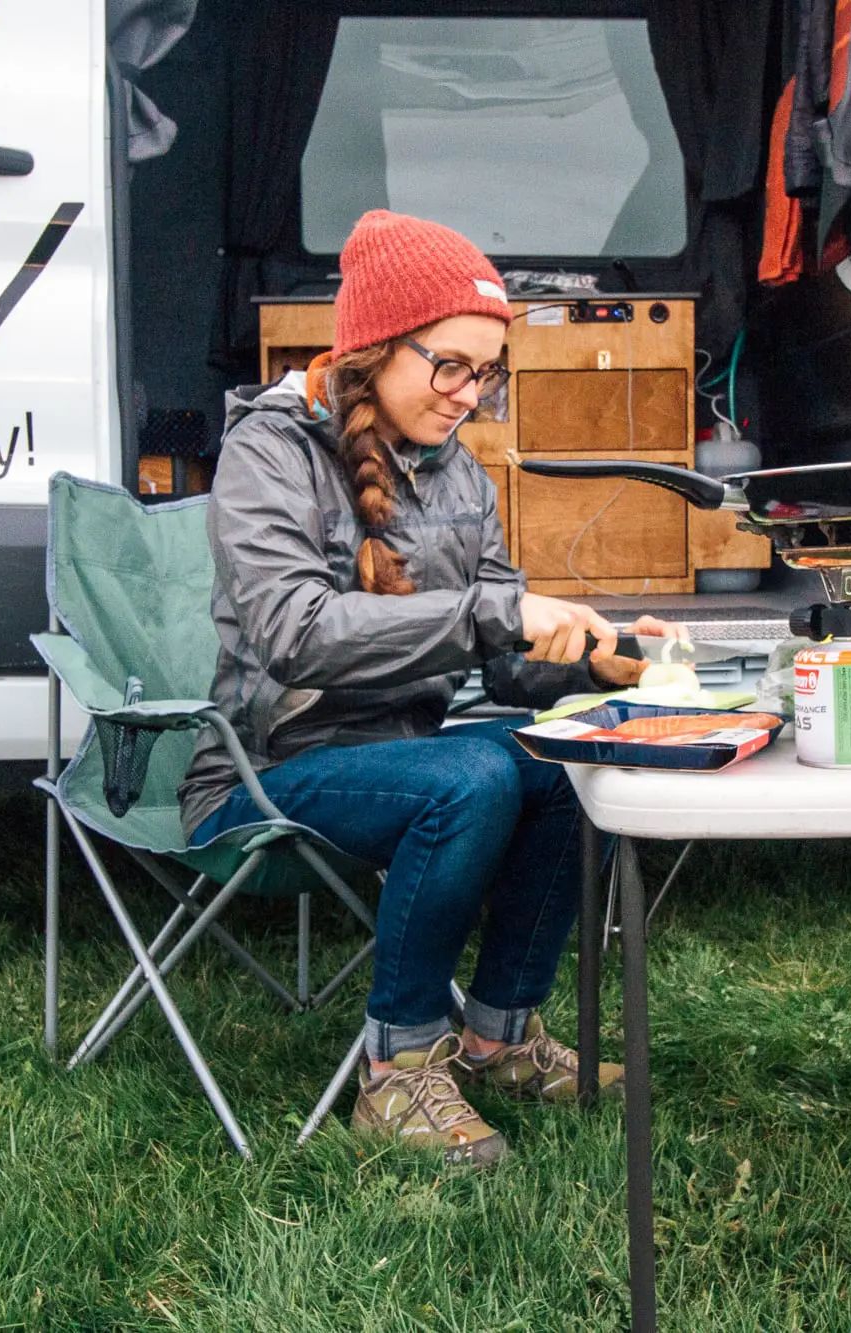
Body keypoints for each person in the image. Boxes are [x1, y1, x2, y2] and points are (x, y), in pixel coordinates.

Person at [180, 210, 681, 1165]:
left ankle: (498, 1034)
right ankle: (400, 1069)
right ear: (371, 348)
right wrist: (498, 614)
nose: (466, 393)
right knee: (472, 779)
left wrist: (588, 658)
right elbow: (296, 634)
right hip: (268, 768)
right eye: (447, 363)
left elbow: (504, 664)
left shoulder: (459, 477)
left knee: (569, 756)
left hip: (403, 758)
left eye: (485, 372)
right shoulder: (269, 452)